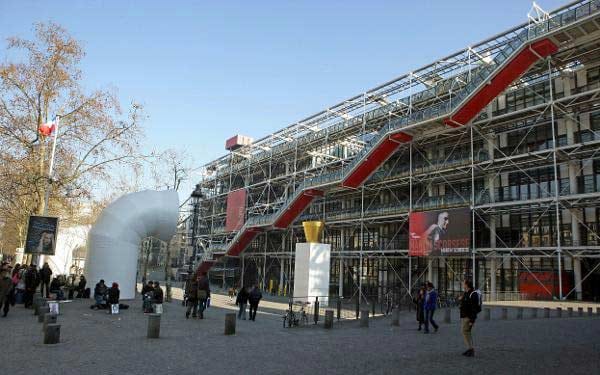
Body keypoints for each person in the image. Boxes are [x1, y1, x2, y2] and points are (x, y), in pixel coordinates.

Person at [459, 280, 480, 357]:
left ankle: (471, 349)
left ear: (467, 285)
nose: (462, 284)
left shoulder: (473, 294)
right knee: (467, 332)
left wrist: (472, 320)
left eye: (463, 283)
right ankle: (470, 349)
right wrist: (461, 299)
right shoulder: (466, 293)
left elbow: (474, 308)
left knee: (465, 332)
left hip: (468, 317)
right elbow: (466, 303)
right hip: (465, 316)